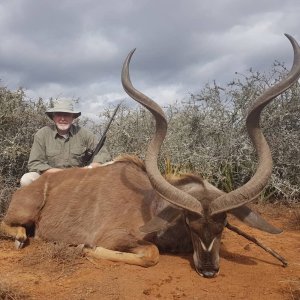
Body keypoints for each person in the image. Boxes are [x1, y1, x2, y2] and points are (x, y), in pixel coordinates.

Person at [20, 99, 111, 187]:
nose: (62, 118)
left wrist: (89, 168)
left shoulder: (85, 134)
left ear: (73, 117)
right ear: (53, 117)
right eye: (59, 114)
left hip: (79, 179)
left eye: (67, 115)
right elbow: (35, 163)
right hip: (50, 177)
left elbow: (102, 154)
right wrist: (63, 174)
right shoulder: (42, 134)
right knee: (26, 180)